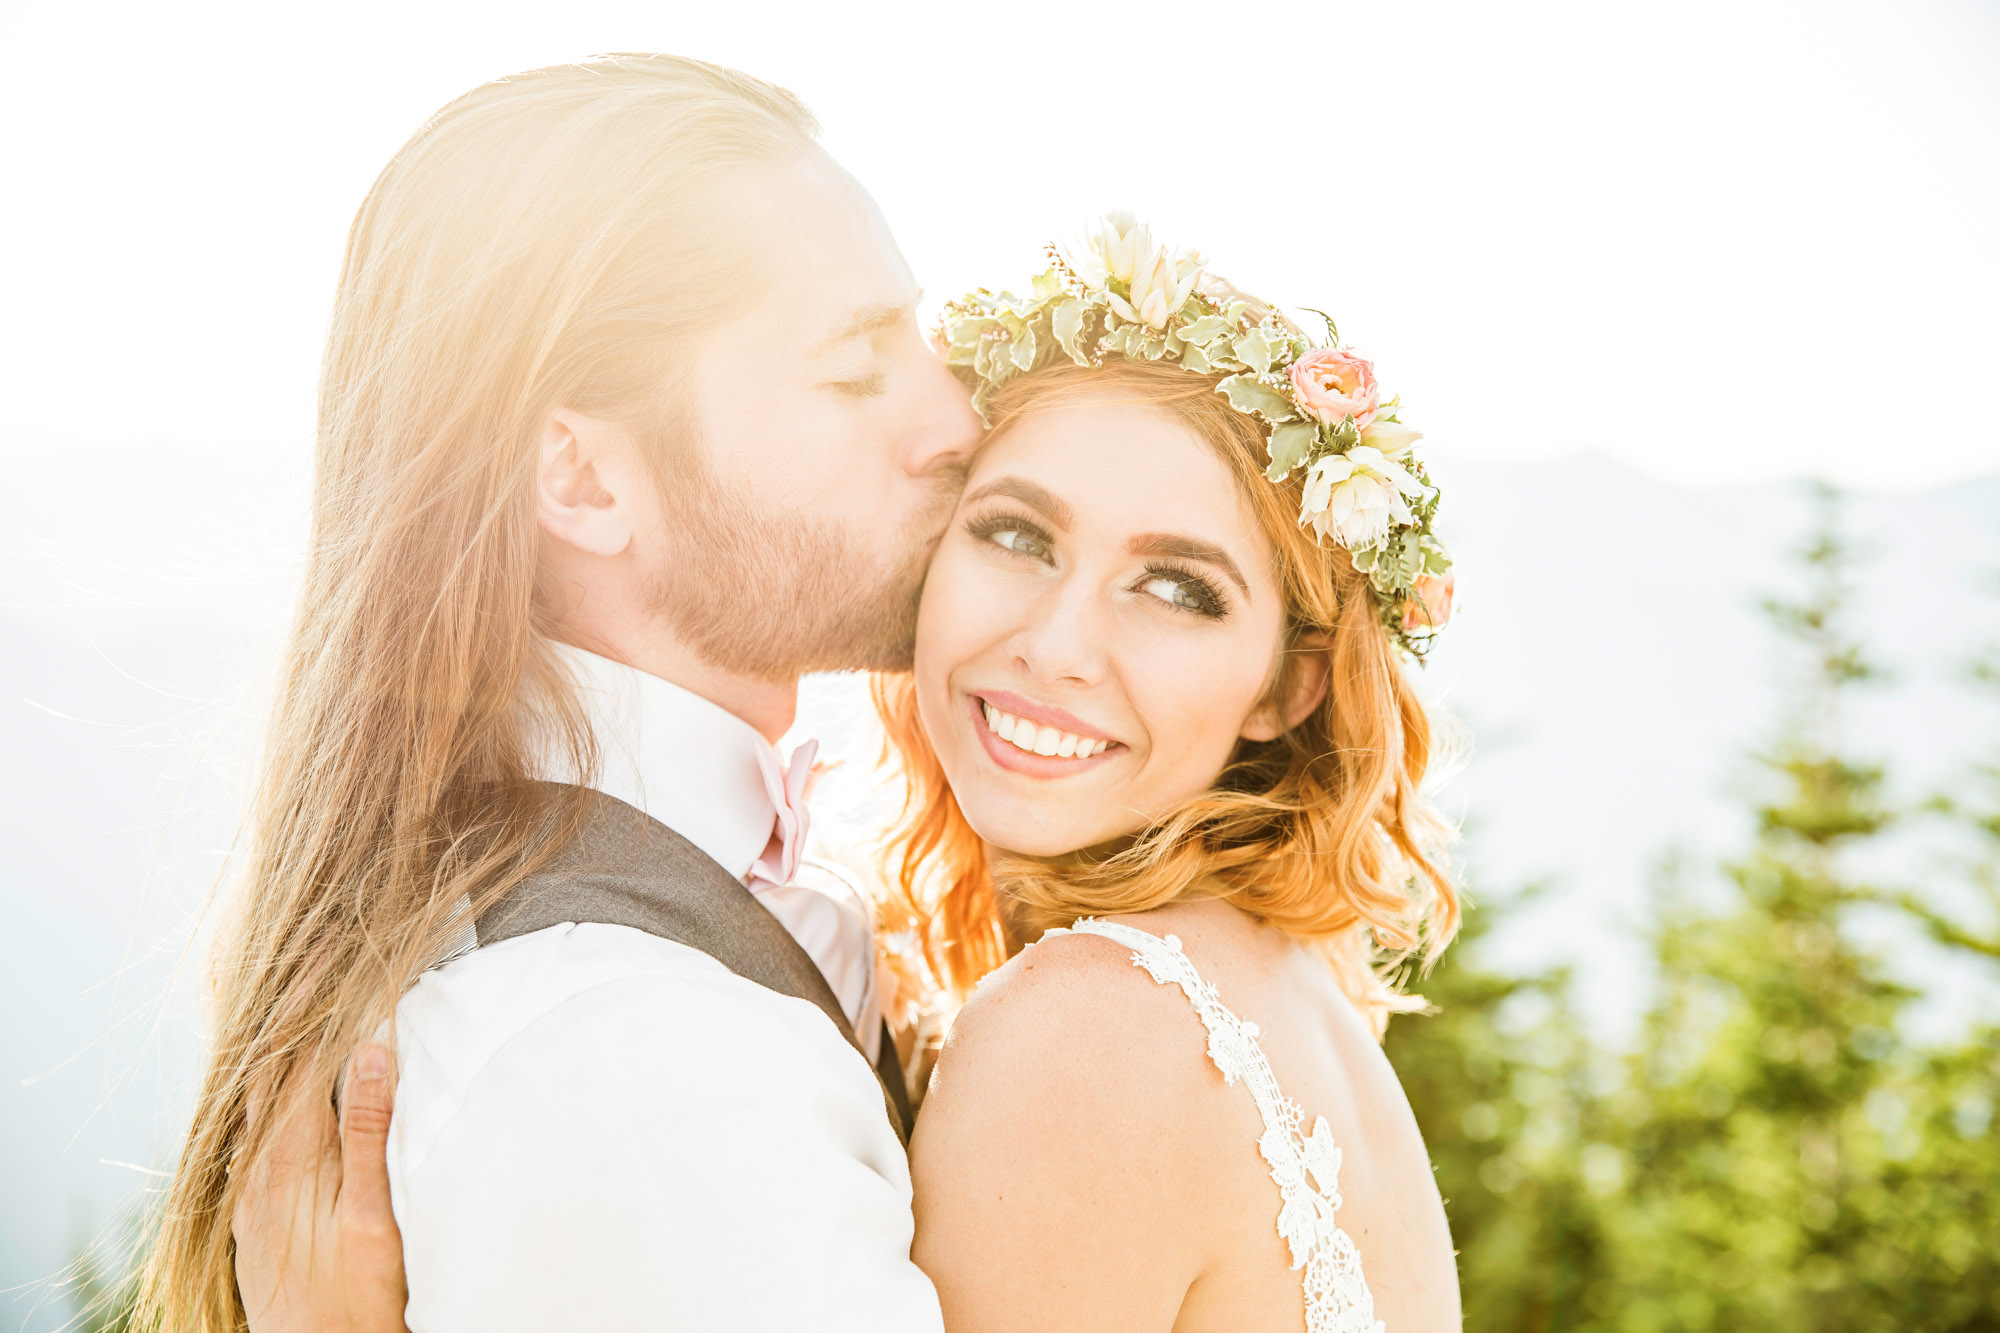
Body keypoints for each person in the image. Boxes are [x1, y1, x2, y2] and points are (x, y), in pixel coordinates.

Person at [227, 208, 1470, 1329]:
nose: (1054, 643)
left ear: (1287, 687)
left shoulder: (1091, 1030)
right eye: (1015, 533)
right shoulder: (1294, 998)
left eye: (1174, 588)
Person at [137, 53, 980, 1332]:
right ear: (582, 480)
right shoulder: (626, 1045)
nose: (956, 423)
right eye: (857, 373)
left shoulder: (625, 971)